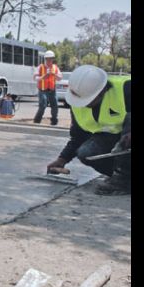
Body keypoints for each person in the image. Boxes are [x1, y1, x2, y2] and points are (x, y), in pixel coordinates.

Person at [46, 65, 131, 195]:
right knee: (87, 153)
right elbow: (78, 137)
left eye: (89, 100)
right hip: (110, 138)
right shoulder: (78, 104)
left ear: (102, 91)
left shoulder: (126, 88)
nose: (84, 104)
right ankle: (124, 179)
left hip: (127, 137)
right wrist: (62, 159)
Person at [33, 50, 63, 125]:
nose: (49, 60)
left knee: (55, 105)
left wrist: (54, 74)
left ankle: (54, 121)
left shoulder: (55, 68)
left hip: (52, 90)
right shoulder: (41, 67)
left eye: (51, 59)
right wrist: (44, 76)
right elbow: (35, 78)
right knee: (43, 105)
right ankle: (37, 120)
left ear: (53, 59)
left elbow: (60, 78)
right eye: (47, 59)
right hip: (42, 90)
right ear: (45, 59)